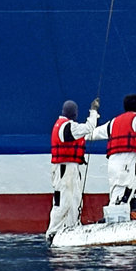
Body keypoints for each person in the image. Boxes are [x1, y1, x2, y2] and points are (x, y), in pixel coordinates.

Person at [86, 93, 136, 207]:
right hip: (126, 164)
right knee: (122, 197)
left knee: (116, 194)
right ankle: (114, 221)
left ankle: (115, 218)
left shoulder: (113, 122)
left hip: (113, 164)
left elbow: (93, 134)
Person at [47, 98, 100, 238]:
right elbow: (89, 127)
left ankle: (72, 228)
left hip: (69, 168)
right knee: (63, 202)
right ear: (74, 113)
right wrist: (93, 112)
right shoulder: (68, 127)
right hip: (65, 169)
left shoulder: (63, 126)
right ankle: (53, 232)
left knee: (75, 199)